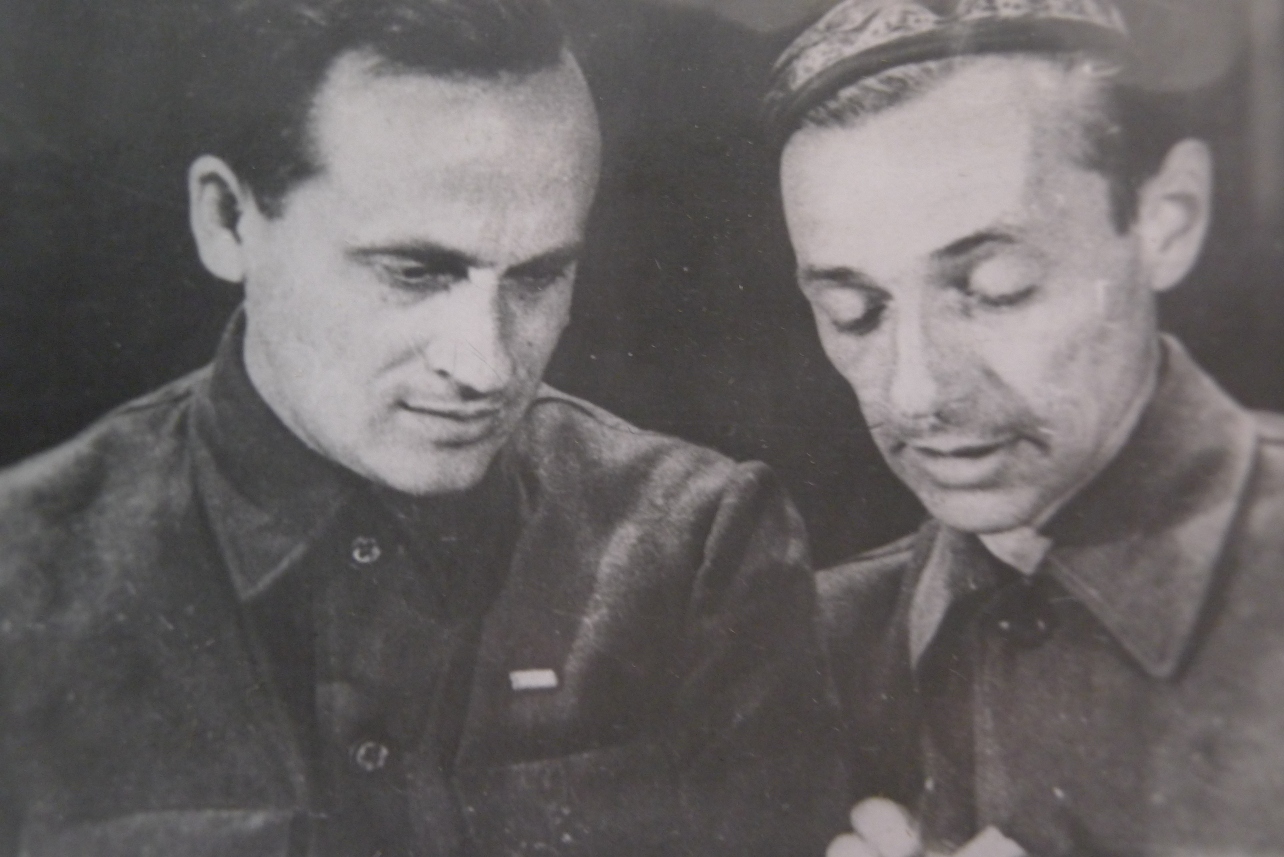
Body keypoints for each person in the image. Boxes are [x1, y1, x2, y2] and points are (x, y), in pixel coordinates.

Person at [0, 1, 848, 854]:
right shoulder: (22, 580)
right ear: (227, 219)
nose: (485, 364)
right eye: (414, 271)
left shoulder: (694, 552)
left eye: (537, 277)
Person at [764, 0, 1284, 855]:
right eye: (855, 312)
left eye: (995, 289)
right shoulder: (812, 651)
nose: (915, 391)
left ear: (1168, 217)